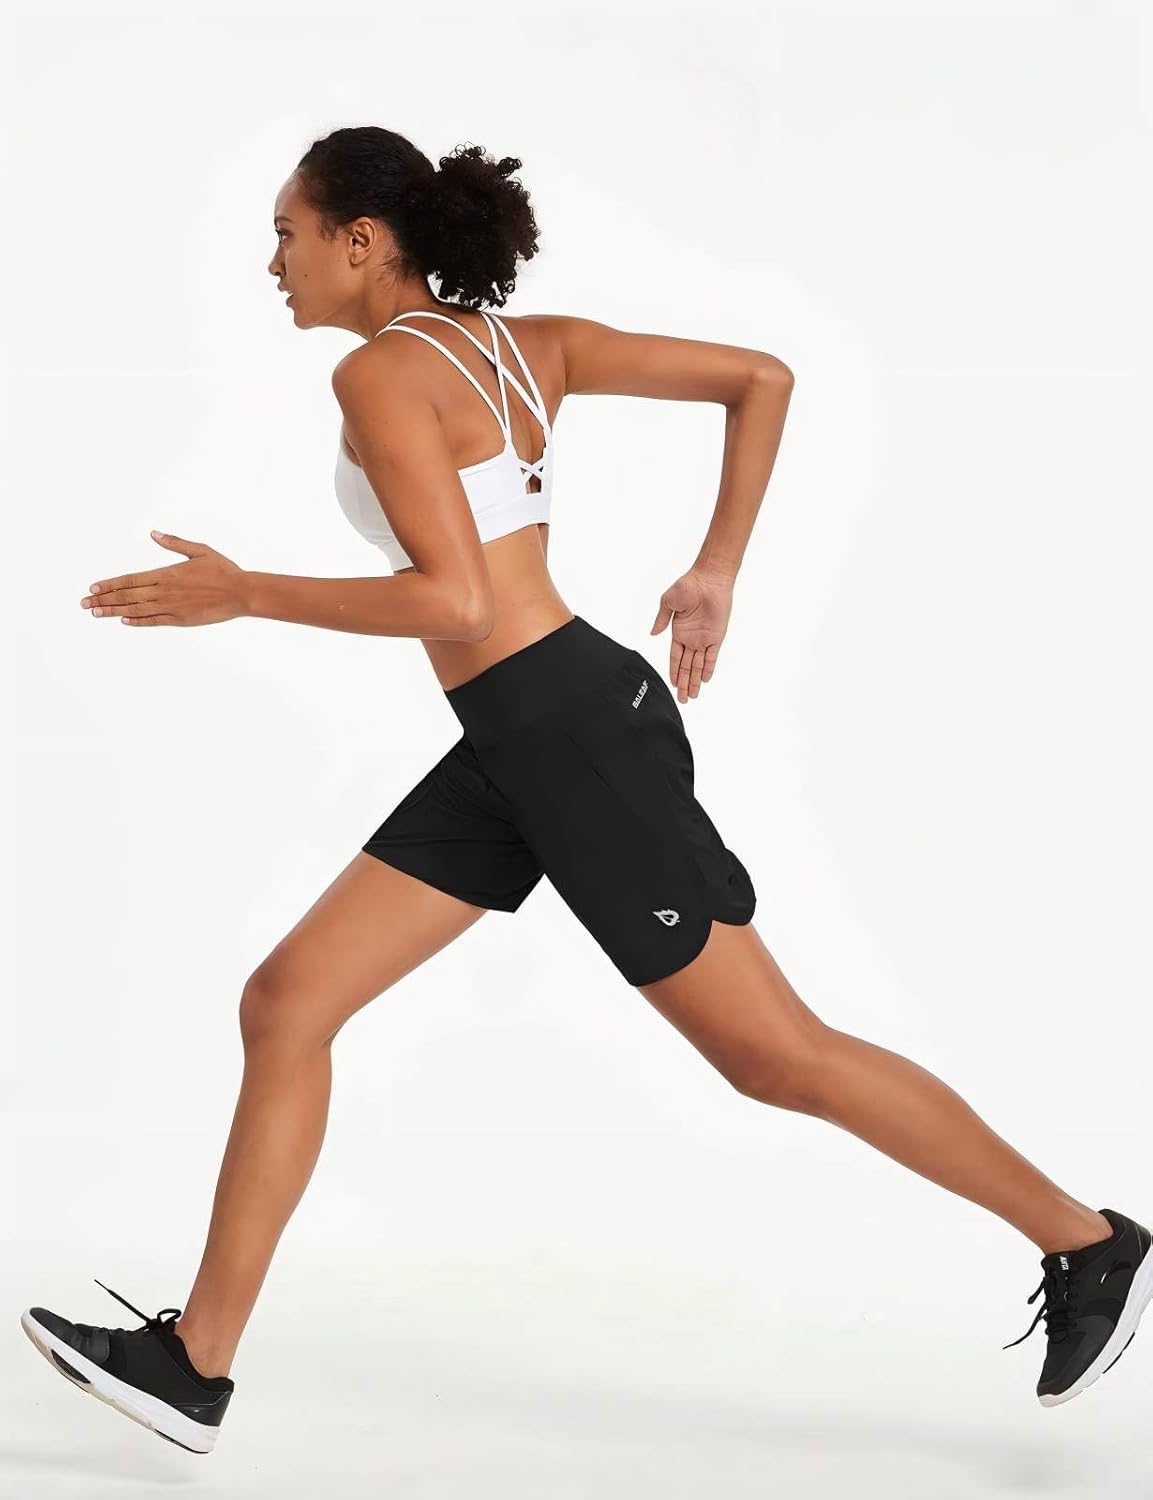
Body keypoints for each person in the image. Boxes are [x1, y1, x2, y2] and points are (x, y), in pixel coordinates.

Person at [21, 126, 1151, 1454]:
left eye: (286, 233)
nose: (274, 262)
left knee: (776, 1056)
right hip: (525, 735)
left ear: (360, 241)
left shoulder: (382, 374)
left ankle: (1087, 1242)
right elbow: (760, 378)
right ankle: (193, 1367)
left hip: (568, 742)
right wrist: (715, 568)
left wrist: (246, 591)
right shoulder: (521, 347)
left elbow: (454, 598)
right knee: (287, 1003)